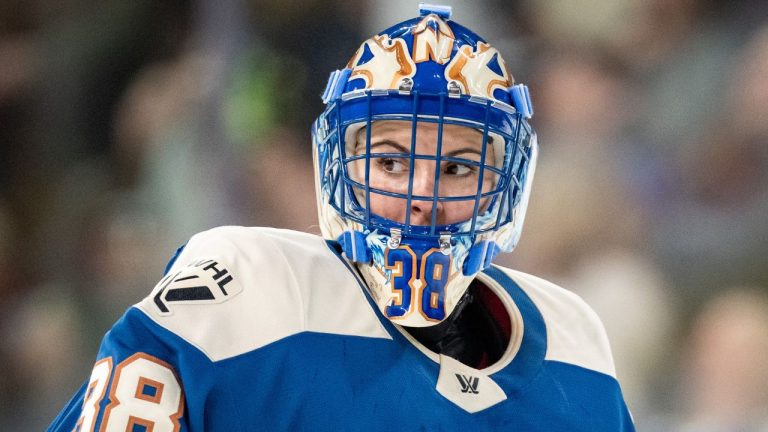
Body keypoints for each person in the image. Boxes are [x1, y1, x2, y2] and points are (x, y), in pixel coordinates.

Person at [49, 5, 634, 431]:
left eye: (457, 168)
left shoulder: (575, 346)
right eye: (390, 162)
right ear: (337, 167)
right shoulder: (247, 288)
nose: (422, 197)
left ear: (503, 187)